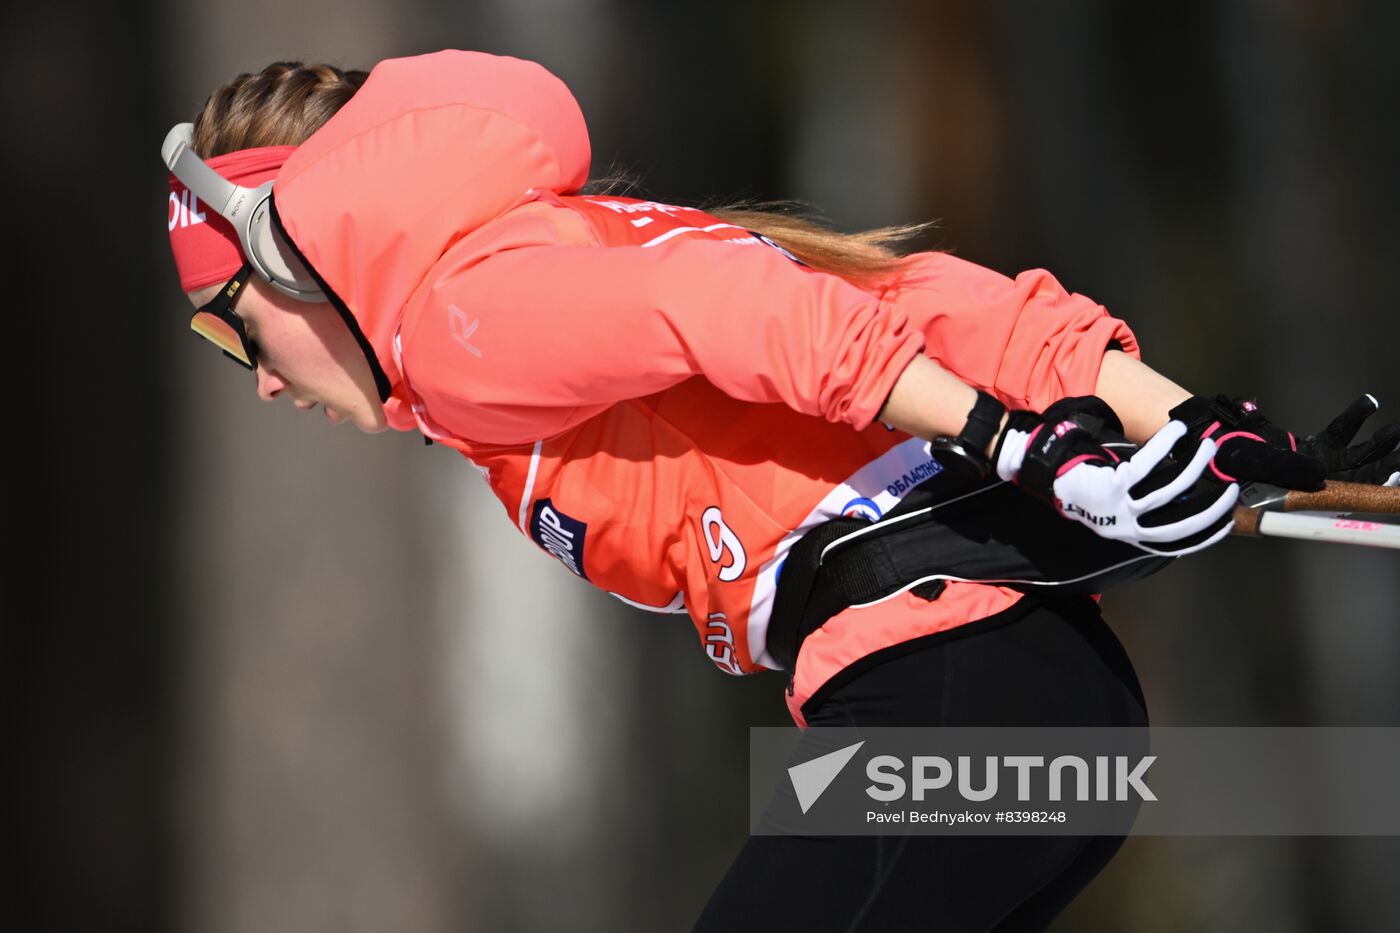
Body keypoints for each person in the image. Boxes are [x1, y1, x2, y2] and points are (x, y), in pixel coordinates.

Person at [163, 50, 1400, 932]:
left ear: (295, 255)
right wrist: (1174, 417)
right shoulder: (550, 250)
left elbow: (751, 313)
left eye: (232, 332)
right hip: (1041, 713)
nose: (259, 382)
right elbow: (920, 301)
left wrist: (1019, 446)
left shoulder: (457, 326)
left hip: (955, 700)